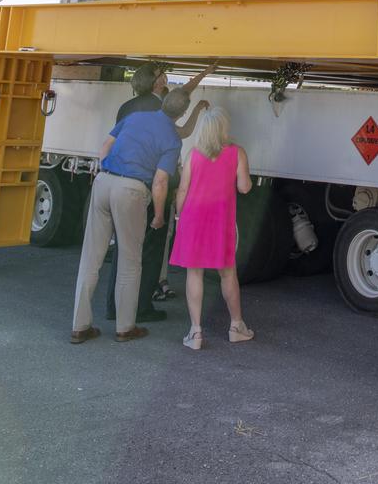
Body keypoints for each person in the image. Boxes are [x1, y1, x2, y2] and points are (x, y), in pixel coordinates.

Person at [71, 88, 191, 343]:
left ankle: (79, 326)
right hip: (132, 190)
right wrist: (158, 215)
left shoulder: (136, 117)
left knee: (91, 258)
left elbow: (106, 146)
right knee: (129, 260)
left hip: (104, 181)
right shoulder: (172, 138)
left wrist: (105, 171)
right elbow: (160, 181)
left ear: (163, 103)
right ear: (182, 112)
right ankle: (125, 327)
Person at [105, 59, 217, 322]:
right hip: (148, 186)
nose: (165, 75)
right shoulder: (160, 108)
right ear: (157, 82)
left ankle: (113, 306)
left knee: (123, 249)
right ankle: (141, 307)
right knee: (150, 252)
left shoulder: (128, 107)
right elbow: (183, 105)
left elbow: (111, 143)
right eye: (161, 74)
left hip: (117, 180)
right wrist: (203, 78)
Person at [169, 106, 254, 350]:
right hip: (220, 220)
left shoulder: (193, 155)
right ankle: (236, 327)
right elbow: (245, 187)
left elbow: (183, 189)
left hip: (193, 218)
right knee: (227, 273)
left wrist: (179, 217)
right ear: (223, 128)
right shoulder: (237, 153)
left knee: (194, 273)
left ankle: (195, 333)